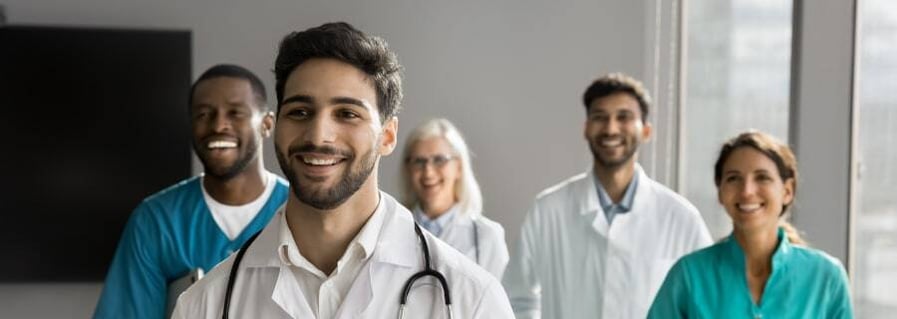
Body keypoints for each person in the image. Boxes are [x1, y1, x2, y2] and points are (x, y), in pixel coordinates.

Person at [172, 22, 514, 318]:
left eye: (347, 114)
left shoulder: (471, 300)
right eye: (300, 112)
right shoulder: (205, 305)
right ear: (276, 125)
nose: (318, 136)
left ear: (388, 135)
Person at [502, 72, 713, 318]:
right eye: (600, 117)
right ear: (586, 129)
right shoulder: (549, 209)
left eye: (624, 117)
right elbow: (516, 298)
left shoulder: (681, 218)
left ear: (646, 130)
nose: (611, 128)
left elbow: (703, 305)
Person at [93, 64, 289, 319]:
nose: (219, 125)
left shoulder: (299, 213)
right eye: (203, 114)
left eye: (235, 113)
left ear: (266, 124)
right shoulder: (156, 220)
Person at [647, 131, 854, 318]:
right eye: (733, 178)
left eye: (762, 178)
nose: (747, 191)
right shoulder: (689, 276)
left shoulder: (826, 277)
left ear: (787, 191)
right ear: (720, 192)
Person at [400, 118, 509, 278]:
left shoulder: (486, 236)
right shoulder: (393, 228)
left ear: (459, 167)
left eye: (439, 160)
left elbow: (499, 301)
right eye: (419, 161)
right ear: (408, 169)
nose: (428, 172)